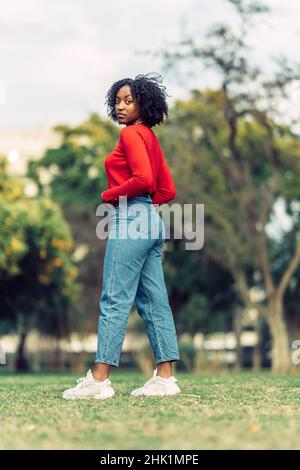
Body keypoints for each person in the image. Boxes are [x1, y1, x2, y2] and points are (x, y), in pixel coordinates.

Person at [63, 73, 181, 400]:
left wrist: (110, 194)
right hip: (150, 222)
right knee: (154, 301)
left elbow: (143, 179)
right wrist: (143, 209)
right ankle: (165, 378)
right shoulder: (150, 138)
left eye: (129, 101)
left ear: (145, 104)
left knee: (114, 298)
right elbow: (167, 190)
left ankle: (99, 381)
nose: (121, 106)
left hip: (130, 219)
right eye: (118, 100)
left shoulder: (131, 135)